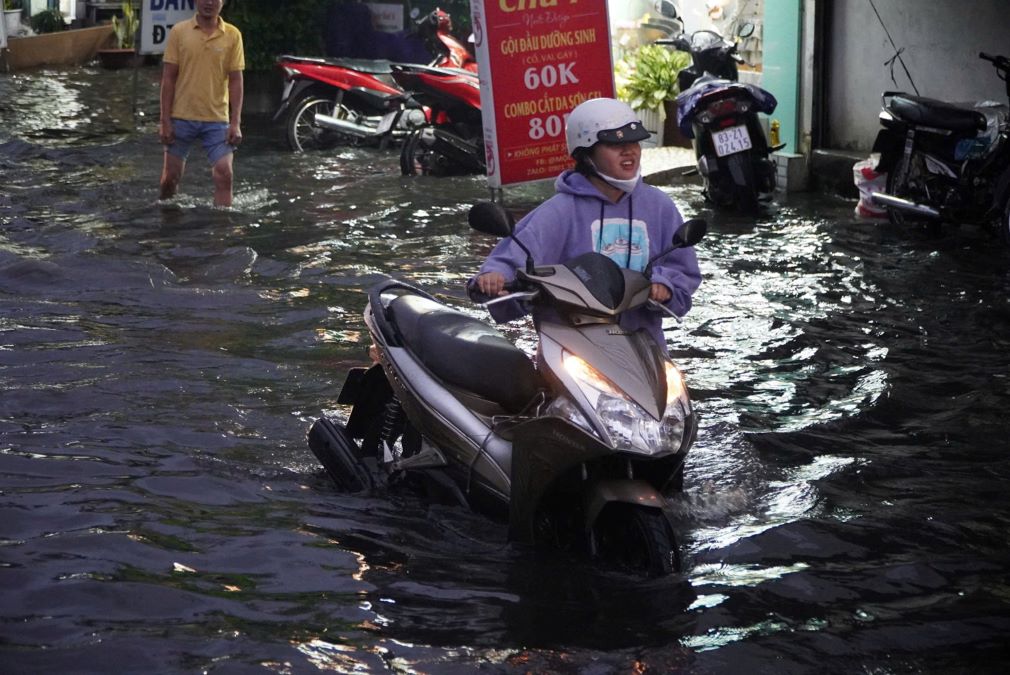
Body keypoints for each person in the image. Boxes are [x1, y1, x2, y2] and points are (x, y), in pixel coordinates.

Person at [473, 97, 702, 352]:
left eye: (634, 141)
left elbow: (683, 271)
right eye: (615, 144)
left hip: (644, 348)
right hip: (572, 348)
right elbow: (512, 257)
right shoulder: (559, 211)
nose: (629, 150)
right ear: (586, 154)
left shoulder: (660, 206)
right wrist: (493, 278)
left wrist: (664, 286)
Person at [159, 0, 245, 207]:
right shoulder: (179, 32)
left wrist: (236, 123)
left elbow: (236, 80)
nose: (209, 3)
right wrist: (165, 120)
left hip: (217, 119)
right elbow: (168, 78)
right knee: (170, 179)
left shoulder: (233, 35)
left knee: (225, 174)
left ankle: (221, 232)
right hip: (181, 116)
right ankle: (166, 224)